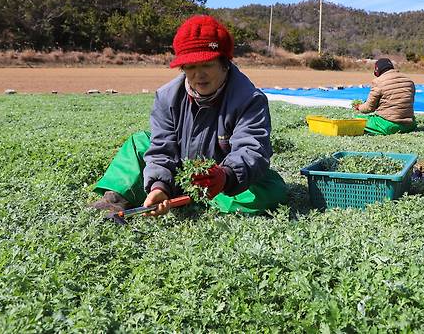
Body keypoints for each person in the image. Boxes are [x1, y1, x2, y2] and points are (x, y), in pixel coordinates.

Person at [90, 15, 288, 216]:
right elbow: (161, 148)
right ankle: (118, 198)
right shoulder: (167, 97)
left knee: (271, 189)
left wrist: (226, 175)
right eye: (190, 67)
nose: (198, 75)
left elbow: (252, 149)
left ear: (224, 63)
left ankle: (196, 197)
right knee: (138, 143)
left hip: (222, 178)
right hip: (177, 168)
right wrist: (159, 186)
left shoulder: (249, 99)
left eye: (207, 65)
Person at [353, 58, 417, 135]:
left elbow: (369, 108)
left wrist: (359, 107)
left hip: (389, 125)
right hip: (410, 125)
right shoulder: (409, 81)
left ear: (377, 70)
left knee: (357, 119)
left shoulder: (378, 82)